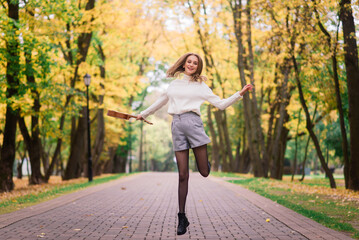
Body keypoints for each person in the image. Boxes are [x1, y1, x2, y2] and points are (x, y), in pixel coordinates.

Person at [136, 53, 253, 235]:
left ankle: (204, 162)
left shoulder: (201, 86)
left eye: (195, 63)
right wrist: (143, 114)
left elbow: (220, 105)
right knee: (183, 175)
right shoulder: (174, 85)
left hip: (194, 124)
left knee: (204, 172)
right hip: (177, 126)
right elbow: (160, 102)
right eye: (189, 61)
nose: (191, 64)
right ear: (183, 64)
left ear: (198, 67)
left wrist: (240, 93)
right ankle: (182, 217)